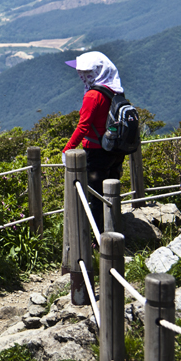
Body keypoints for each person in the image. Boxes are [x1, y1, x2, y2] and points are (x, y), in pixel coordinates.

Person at [62, 51, 125, 231]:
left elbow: (83, 126)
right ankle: (114, 229)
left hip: (96, 151)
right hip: (114, 148)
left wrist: (67, 150)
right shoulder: (115, 89)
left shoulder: (93, 95)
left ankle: (99, 237)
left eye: (85, 72)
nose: (81, 75)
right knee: (111, 191)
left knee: (96, 196)